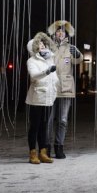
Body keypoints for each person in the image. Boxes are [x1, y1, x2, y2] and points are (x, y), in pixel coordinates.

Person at [46, 20, 83, 159]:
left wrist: (78, 54)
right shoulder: (49, 47)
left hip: (66, 87)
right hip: (51, 86)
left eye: (63, 31)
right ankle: (46, 146)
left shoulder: (70, 48)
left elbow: (78, 60)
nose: (60, 33)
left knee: (62, 120)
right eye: (58, 31)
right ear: (54, 33)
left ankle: (59, 146)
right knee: (49, 120)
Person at [25, 32, 58, 164]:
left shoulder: (50, 59)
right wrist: (47, 71)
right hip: (37, 98)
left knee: (44, 126)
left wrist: (55, 88)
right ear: (34, 47)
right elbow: (34, 76)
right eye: (39, 44)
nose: (43, 45)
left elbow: (53, 78)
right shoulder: (32, 61)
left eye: (44, 43)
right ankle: (33, 153)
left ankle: (43, 152)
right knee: (35, 126)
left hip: (48, 98)